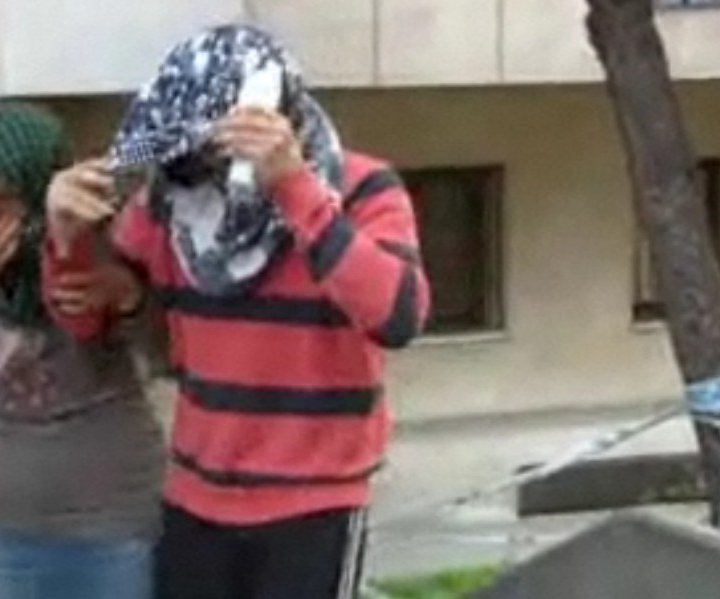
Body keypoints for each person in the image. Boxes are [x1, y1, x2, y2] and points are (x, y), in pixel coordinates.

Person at [44, 25, 431, 599]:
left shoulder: (362, 186)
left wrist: (294, 188)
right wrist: (66, 238)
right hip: (196, 497)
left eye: (204, 147)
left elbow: (399, 315)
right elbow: (87, 319)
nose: (191, 165)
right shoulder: (172, 202)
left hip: (313, 501)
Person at [0, 102, 163, 599]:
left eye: (8, 200)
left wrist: (126, 295)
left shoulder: (103, 220)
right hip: (5, 517)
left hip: (113, 513)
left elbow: (168, 352)